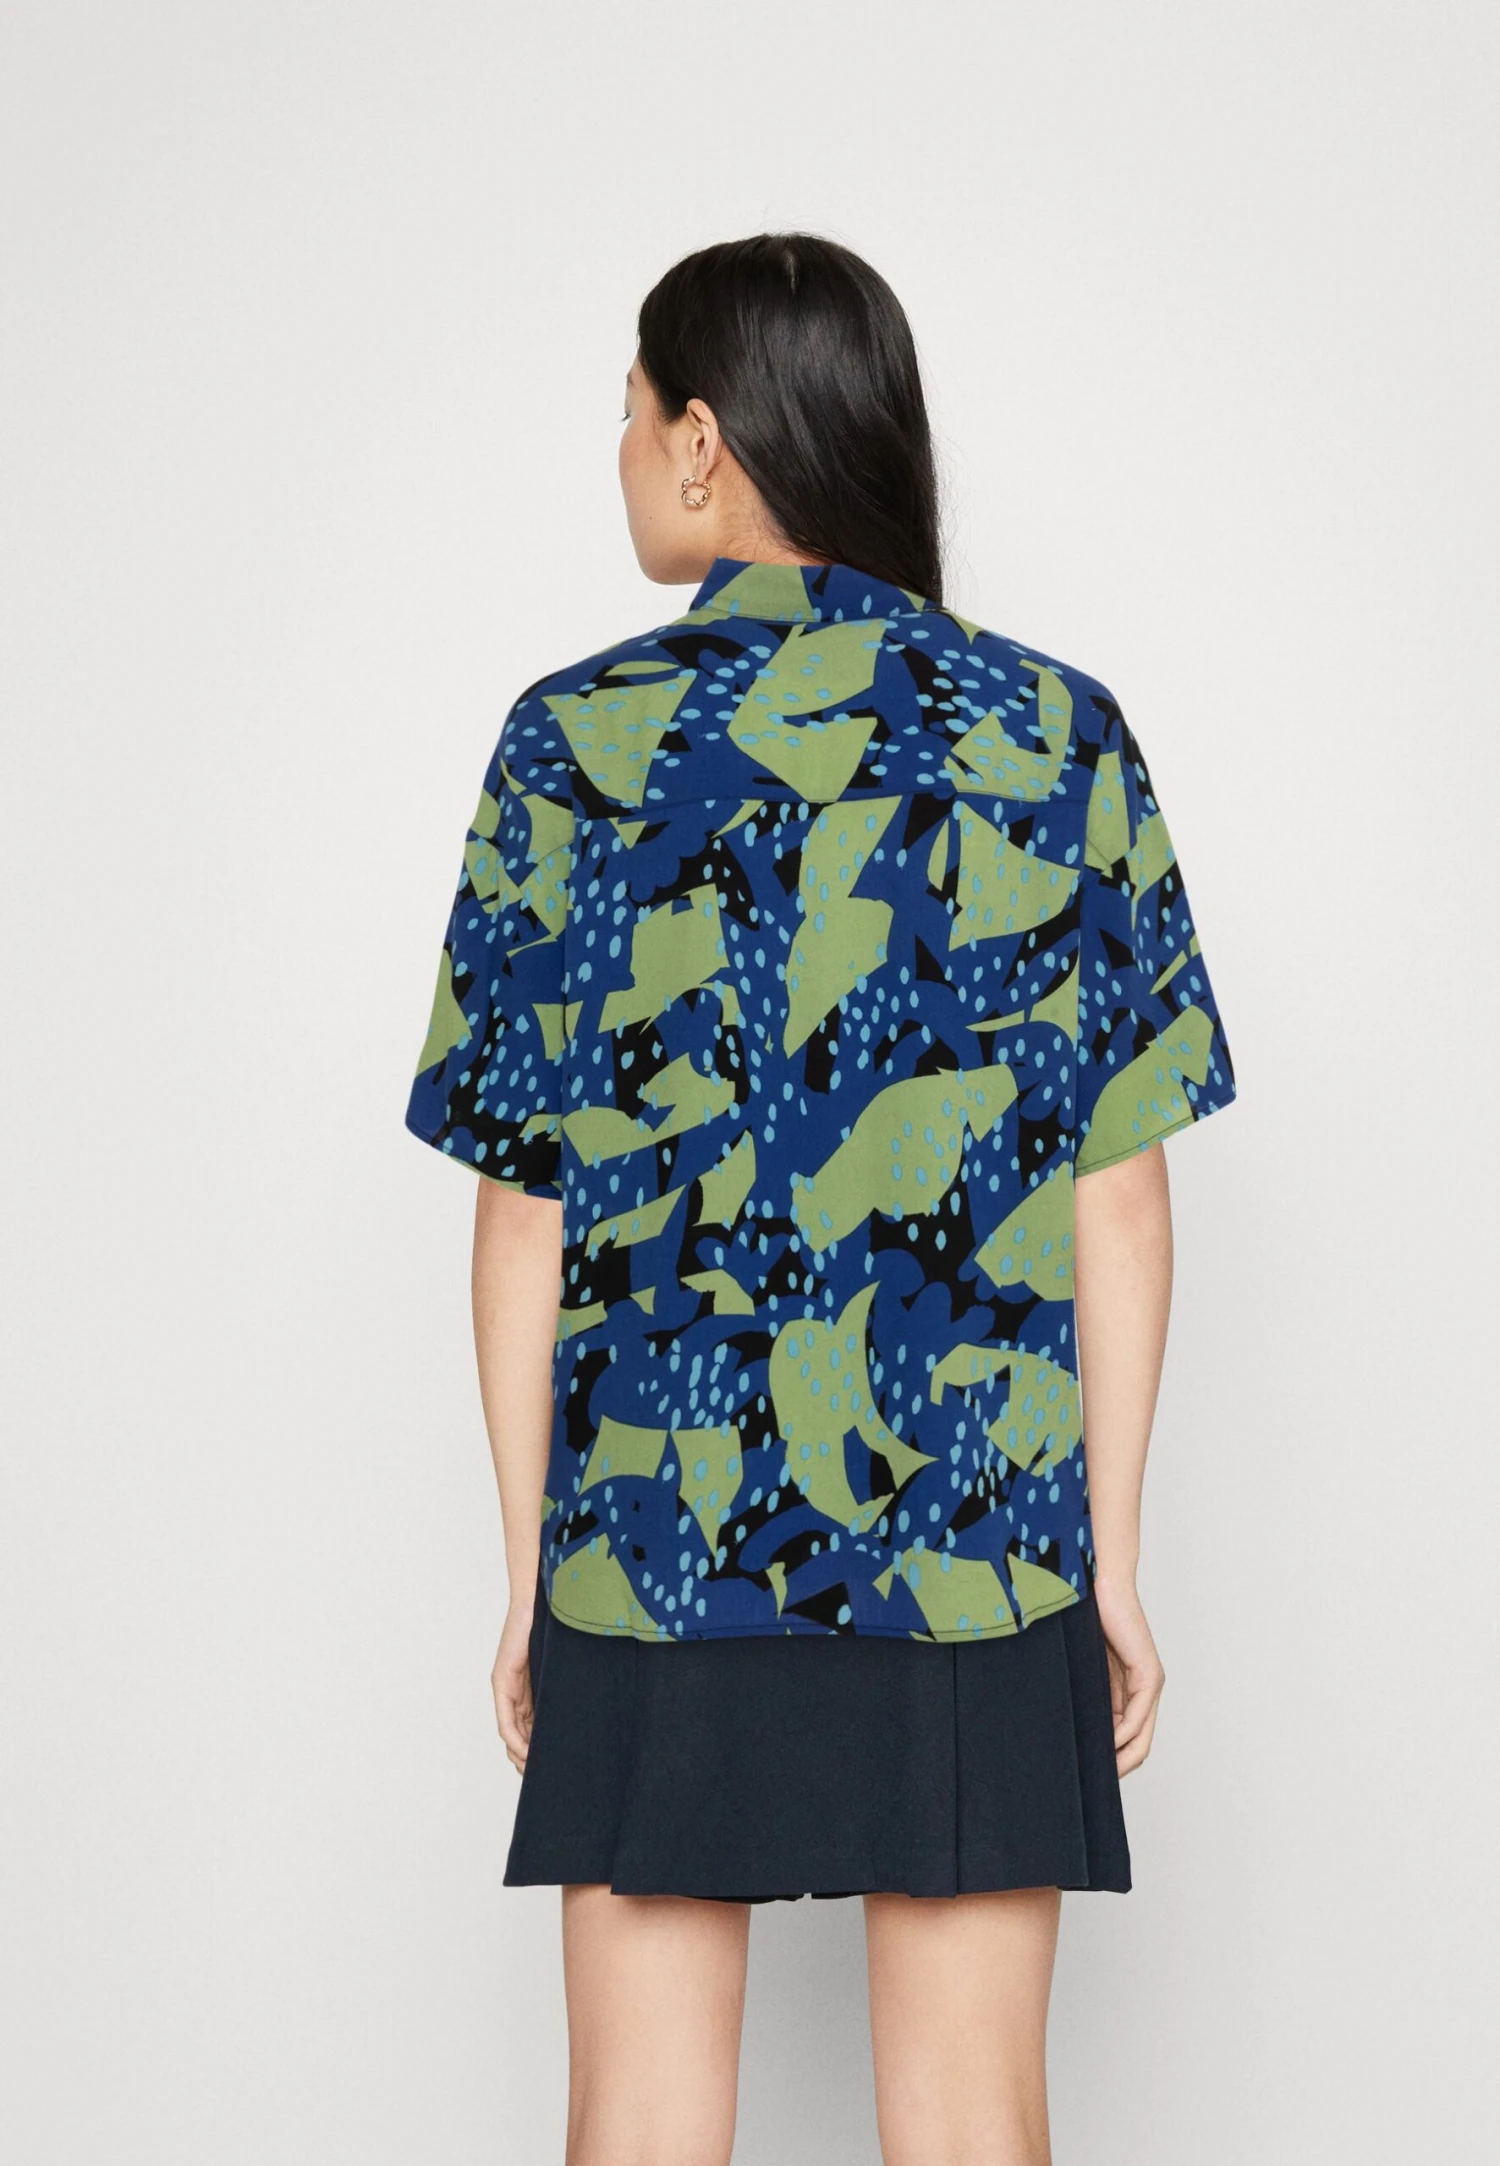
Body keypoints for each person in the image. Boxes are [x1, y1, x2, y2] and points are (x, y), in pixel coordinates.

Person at [404, 232, 1236, 2166]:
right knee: (973, 2123)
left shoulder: (574, 744)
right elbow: (1120, 1197)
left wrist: (530, 1572)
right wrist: (1108, 1564)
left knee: (637, 2121)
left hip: (654, 1533)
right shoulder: (1054, 733)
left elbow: (523, 1211)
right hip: (972, 1537)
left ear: (704, 443)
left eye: (629, 415)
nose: (622, 452)